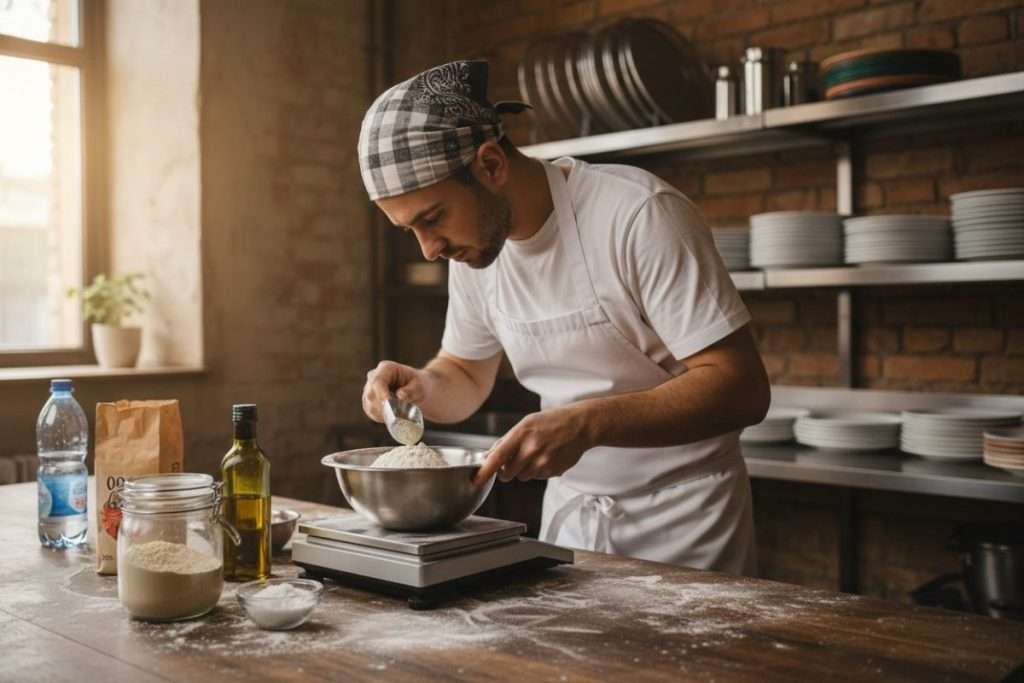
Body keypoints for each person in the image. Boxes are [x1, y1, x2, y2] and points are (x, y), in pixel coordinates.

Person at [357, 60, 770, 575]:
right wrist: (417, 387)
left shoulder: (637, 214)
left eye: (432, 218)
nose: (429, 250)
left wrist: (588, 423)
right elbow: (464, 373)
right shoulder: (477, 250)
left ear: (490, 165)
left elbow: (742, 388)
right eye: (409, 231)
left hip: (686, 526)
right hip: (574, 525)